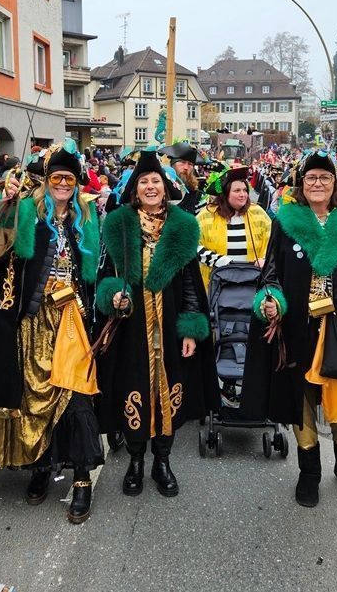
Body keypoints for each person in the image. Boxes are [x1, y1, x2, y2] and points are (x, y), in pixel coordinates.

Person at [0, 139, 103, 524]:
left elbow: (94, 273)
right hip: (34, 322)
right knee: (34, 401)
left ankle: (82, 479)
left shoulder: (86, 218)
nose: (63, 184)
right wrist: (5, 208)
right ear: (46, 180)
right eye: (57, 178)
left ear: (77, 183)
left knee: (76, 399)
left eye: (70, 179)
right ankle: (40, 467)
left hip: (73, 321)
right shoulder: (27, 212)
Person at [240, 151, 337, 508]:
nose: (318, 183)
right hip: (298, 328)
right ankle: (309, 472)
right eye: (311, 178)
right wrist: (271, 300)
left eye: (325, 177)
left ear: (336, 183)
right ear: (300, 184)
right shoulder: (285, 223)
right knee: (300, 398)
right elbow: (270, 274)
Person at [95, 149, 219, 498]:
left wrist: (191, 328)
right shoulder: (117, 226)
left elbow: (192, 283)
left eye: (156, 181)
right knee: (132, 389)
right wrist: (112, 296)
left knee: (171, 392)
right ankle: (136, 461)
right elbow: (104, 276)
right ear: (134, 190)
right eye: (144, 182)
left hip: (169, 328)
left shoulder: (182, 228)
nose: (150, 187)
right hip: (131, 329)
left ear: (166, 188)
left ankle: (162, 461)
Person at [196, 165, 271, 286]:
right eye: (237, 191)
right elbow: (192, 246)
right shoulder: (206, 215)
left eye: (245, 190)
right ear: (225, 194)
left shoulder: (258, 213)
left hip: (252, 282)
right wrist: (220, 261)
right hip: (217, 285)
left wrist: (264, 260)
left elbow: (273, 242)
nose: (243, 194)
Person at [159, 141, 204, 214]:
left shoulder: (197, 196)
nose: (186, 167)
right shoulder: (159, 190)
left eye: (190, 164)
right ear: (172, 164)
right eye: (182, 162)